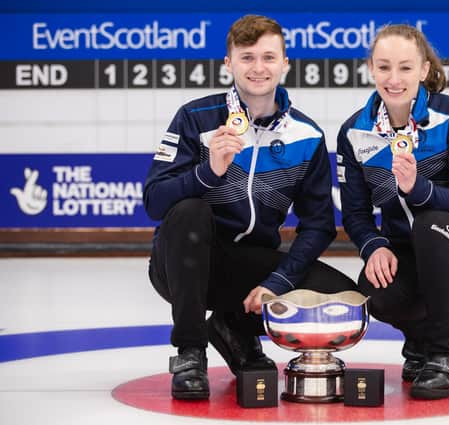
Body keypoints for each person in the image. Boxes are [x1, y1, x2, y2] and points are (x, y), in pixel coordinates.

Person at [144, 14, 356, 400]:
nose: (258, 68)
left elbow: (320, 225)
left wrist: (278, 282)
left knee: (338, 293)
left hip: (247, 264)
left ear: (285, 63)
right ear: (229, 64)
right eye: (246, 57)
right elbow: (154, 202)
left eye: (268, 57)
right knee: (189, 212)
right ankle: (191, 352)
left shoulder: (306, 135)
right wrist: (208, 172)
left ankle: (232, 326)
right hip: (181, 265)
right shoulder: (196, 118)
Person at [336, 24, 449, 400]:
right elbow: (356, 214)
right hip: (408, 253)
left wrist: (418, 188)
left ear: (425, 70)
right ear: (371, 69)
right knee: (373, 286)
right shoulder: (353, 132)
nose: (393, 79)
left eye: (405, 68)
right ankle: (420, 344)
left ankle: (444, 356)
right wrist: (373, 247)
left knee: (430, 224)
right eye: (383, 67)